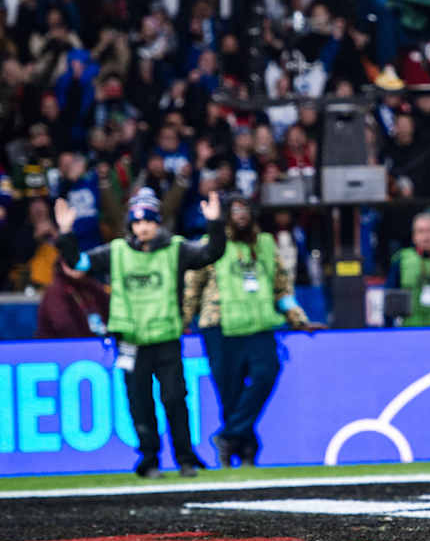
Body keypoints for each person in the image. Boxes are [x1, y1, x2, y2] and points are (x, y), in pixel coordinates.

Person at [54, 188, 225, 478]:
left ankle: (185, 459)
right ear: (130, 225)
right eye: (136, 222)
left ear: (158, 222)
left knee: (174, 399)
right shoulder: (116, 251)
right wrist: (67, 233)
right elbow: (78, 263)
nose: (142, 227)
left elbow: (211, 253)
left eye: (148, 221)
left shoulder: (176, 249)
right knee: (139, 403)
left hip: (166, 339)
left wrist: (215, 224)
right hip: (131, 341)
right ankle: (150, 460)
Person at [184, 195, 323, 468]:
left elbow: (281, 287)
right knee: (230, 394)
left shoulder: (266, 245)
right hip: (220, 326)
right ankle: (245, 450)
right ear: (225, 215)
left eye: (245, 209)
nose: (241, 215)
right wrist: (182, 320)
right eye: (234, 210)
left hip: (260, 326)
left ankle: (228, 436)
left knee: (266, 375)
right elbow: (192, 287)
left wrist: (298, 319)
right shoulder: (209, 245)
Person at [35, 257, 109, 338]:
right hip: (61, 345)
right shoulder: (55, 290)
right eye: (71, 262)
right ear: (63, 264)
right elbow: (63, 325)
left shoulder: (93, 286)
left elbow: (107, 312)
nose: (75, 266)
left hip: (96, 343)